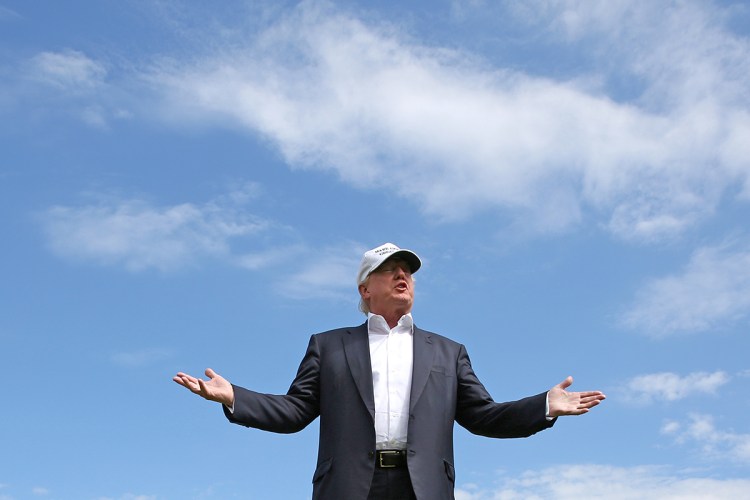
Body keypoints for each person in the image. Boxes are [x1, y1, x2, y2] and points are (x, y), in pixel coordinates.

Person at [174, 242, 606, 499]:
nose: (402, 275)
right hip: (348, 487)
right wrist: (235, 397)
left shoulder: (448, 352)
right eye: (389, 270)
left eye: (408, 272)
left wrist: (543, 406)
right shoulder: (328, 346)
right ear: (365, 288)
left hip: (423, 489)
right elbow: (295, 411)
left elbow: (482, 416)